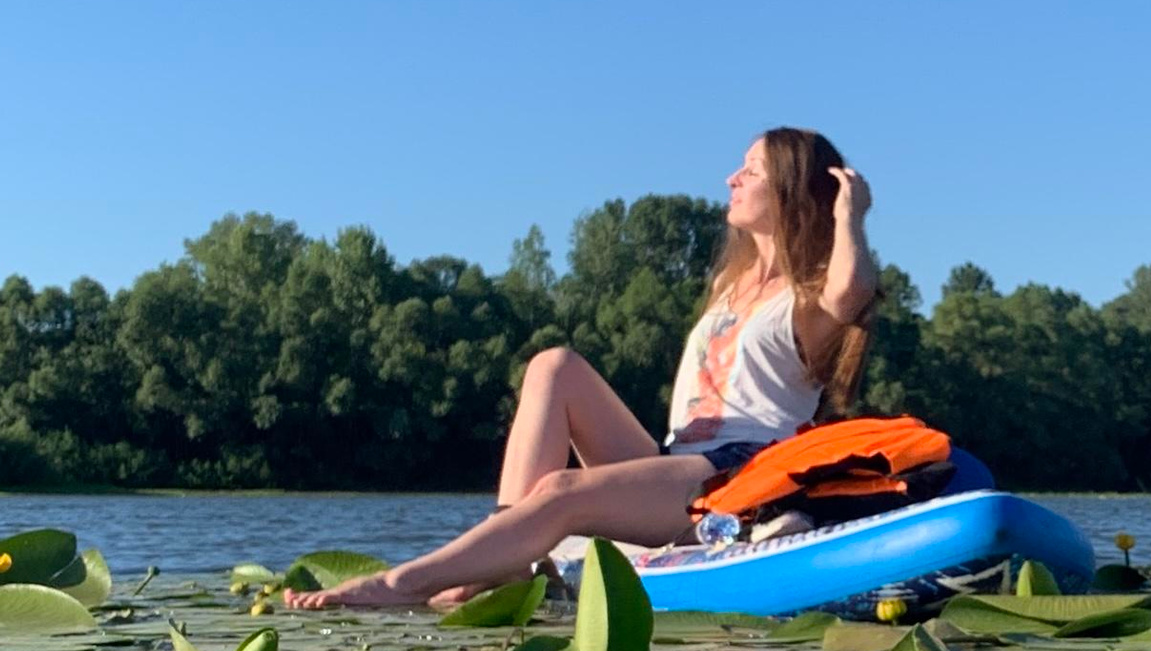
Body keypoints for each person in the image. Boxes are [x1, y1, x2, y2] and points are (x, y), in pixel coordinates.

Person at [281, 131, 877, 612]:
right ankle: (508, 549)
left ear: (793, 187)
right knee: (554, 365)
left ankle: (400, 585)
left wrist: (849, 211)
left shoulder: (807, 298)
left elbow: (851, 294)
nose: (732, 178)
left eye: (751, 169)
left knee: (560, 491)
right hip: (675, 465)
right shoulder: (731, 284)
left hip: (740, 476)